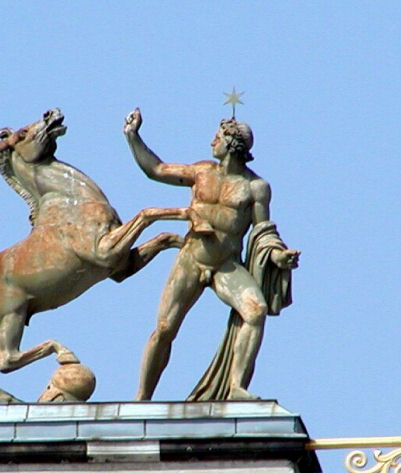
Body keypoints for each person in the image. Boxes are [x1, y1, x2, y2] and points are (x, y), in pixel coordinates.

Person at [123, 108, 299, 401]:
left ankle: (236, 388)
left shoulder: (256, 188)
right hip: (191, 259)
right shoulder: (201, 172)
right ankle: (142, 398)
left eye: (217, 137)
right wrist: (133, 136)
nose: (211, 142)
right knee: (165, 329)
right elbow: (156, 169)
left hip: (225, 265)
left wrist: (278, 257)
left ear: (230, 143)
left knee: (255, 311)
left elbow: (263, 230)